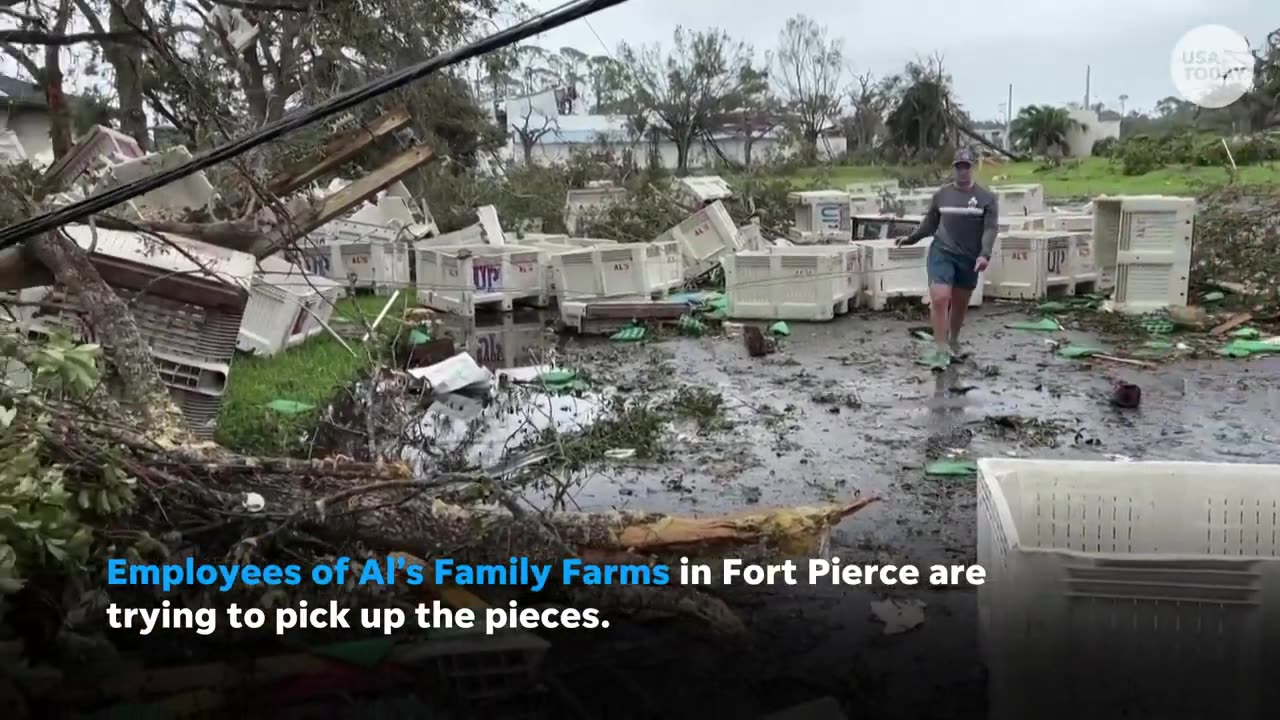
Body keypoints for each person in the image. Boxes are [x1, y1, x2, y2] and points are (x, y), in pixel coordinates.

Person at [895, 148, 998, 368]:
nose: (962, 172)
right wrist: (911, 239)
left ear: (973, 168)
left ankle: (953, 339)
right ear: (953, 169)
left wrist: (984, 254)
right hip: (942, 252)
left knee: (960, 304)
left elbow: (990, 229)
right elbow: (930, 224)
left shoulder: (986, 198)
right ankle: (940, 348)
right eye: (958, 167)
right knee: (941, 298)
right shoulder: (941, 195)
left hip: (970, 258)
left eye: (966, 167)